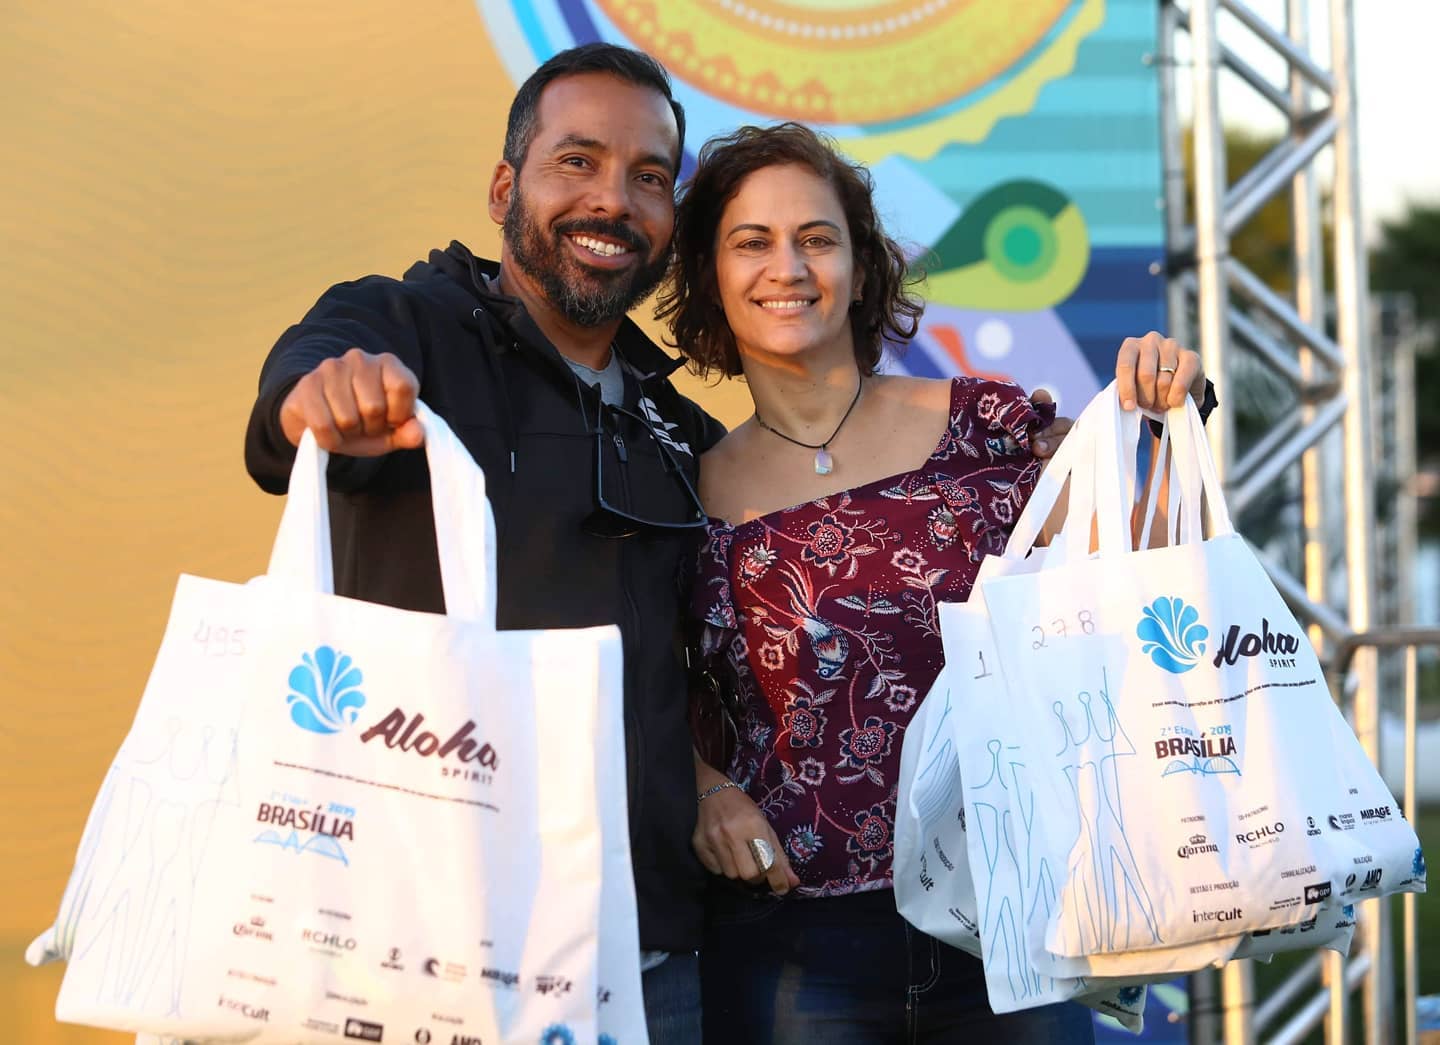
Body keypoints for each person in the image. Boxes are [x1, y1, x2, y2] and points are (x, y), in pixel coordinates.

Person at [244, 46, 1073, 1041]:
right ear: (506, 185)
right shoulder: (412, 331)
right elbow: (302, 383)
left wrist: (1112, 453)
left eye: (647, 177)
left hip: (644, 960)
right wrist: (322, 392)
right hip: (409, 941)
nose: (611, 200)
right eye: (578, 163)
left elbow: (698, 672)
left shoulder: (678, 436)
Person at [660, 122, 1211, 1043]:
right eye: (750, 242)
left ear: (864, 270)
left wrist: (1159, 420)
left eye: (817, 238)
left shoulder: (992, 427)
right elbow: (651, 686)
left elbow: (1135, 582)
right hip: (795, 943)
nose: (786, 266)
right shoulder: (685, 490)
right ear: (713, 277)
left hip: (1013, 925)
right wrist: (707, 785)